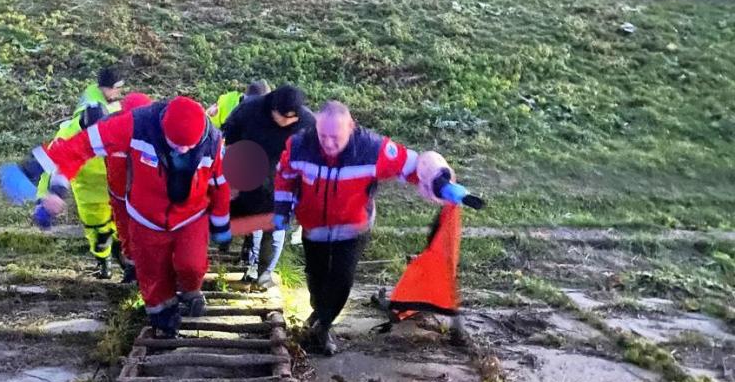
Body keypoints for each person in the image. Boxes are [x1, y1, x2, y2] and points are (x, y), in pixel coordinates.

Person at [34, 96, 231, 338]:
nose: (182, 150)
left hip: (191, 216)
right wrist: (56, 189)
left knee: (192, 265)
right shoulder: (137, 125)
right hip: (145, 218)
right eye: (176, 144)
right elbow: (82, 145)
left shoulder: (213, 141)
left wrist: (221, 223)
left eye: (188, 146)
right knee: (153, 279)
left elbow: (220, 183)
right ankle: (165, 323)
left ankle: (190, 291)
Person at [273, 101, 455, 355]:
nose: (328, 143)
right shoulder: (300, 146)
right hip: (314, 227)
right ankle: (319, 311)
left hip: (352, 227)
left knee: (341, 279)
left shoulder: (372, 149)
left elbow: (413, 165)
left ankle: (323, 327)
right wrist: (282, 210)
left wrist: (438, 179)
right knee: (316, 275)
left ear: (351, 127)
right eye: (323, 136)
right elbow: (285, 176)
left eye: (335, 137)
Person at [222, 84, 314, 287]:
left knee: (276, 229)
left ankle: (265, 273)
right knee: (255, 224)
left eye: (293, 118)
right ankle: (252, 267)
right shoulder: (248, 111)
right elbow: (231, 144)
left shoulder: (308, 122)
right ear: (273, 109)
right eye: (285, 117)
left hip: (284, 181)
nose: (289, 122)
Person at [29, 102, 117, 278]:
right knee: (98, 232)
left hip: (119, 186)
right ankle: (104, 261)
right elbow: (50, 170)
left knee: (128, 228)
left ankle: (129, 265)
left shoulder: (120, 120)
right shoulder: (67, 137)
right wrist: (44, 199)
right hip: (88, 191)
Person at [107, 92, 154, 283]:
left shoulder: (154, 136)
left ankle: (141, 269)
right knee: (127, 230)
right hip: (123, 194)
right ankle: (134, 268)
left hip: (139, 196)